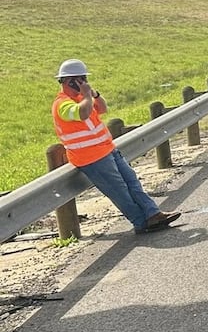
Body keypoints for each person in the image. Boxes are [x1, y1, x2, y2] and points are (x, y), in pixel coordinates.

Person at [51, 59, 181, 235]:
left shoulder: (84, 98)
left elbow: (103, 108)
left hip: (107, 149)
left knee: (132, 182)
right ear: (69, 81)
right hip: (90, 158)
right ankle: (141, 222)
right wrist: (87, 96)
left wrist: (93, 94)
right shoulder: (62, 104)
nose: (84, 83)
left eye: (84, 79)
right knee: (119, 191)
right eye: (80, 79)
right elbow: (83, 113)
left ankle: (154, 214)